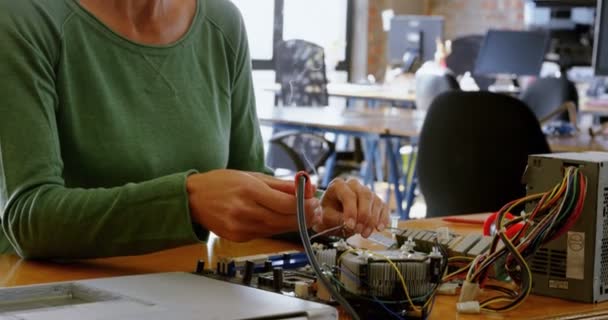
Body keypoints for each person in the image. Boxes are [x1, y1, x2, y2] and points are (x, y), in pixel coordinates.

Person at [0, 0, 389, 259]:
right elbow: (28, 217)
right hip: (53, 298)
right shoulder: (23, 18)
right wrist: (187, 202)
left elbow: (249, 178)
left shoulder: (222, 22)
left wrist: (319, 211)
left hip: (190, 293)